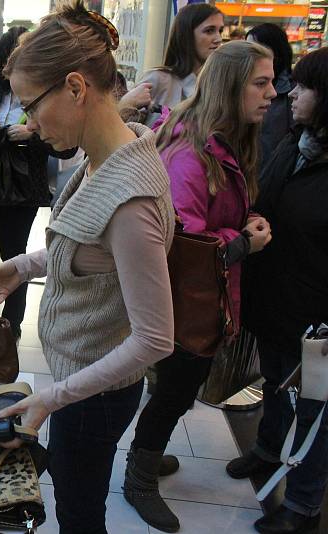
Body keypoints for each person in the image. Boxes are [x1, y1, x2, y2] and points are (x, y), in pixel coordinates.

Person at [0, 3, 176, 531]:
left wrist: (51, 399)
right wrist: (20, 265)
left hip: (94, 393)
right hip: (80, 380)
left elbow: (155, 338)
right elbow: (90, 245)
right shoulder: (108, 153)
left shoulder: (132, 196)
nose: (29, 125)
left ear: (77, 88)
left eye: (32, 106)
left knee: (80, 515)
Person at [121, 40, 276, 533]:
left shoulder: (217, 141)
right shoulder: (194, 152)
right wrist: (243, 241)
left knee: (176, 390)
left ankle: (150, 453)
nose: (273, 92)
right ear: (232, 88)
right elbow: (184, 241)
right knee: (174, 391)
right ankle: (139, 479)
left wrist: (240, 219)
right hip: (187, 301)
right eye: (261, 82)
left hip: (197, 299)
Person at [227, 47, 328, 534]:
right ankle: (266, 449)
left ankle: (304, 506)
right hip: (275, 301)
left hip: (317, 317)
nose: (290, 94)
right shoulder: (295, 140)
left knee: (316, 411)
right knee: (273, 383)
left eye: (305, 87)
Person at [0, 26, 73, 338]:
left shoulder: (47, 92)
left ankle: (11, 326)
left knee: (15, 255)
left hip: (23, 188)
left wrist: (31, 136)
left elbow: (66, 145)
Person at [120, 3, 224, 126]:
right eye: (209, 31)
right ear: (187, 35)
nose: (218, 39)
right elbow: (124, 126)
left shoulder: (217, 84)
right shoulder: (157, 79)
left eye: (220, 31)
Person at [246, 23, 294, 171]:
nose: (250, 56)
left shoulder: (293, 92)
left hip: (273, 177)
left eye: (257, 50)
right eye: (247, 49)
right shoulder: (241, 85)